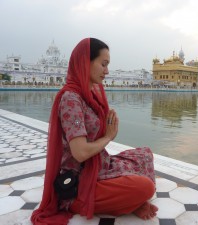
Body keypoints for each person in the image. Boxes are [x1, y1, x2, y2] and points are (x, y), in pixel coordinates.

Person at [31, 38, 158, 225]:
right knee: (144, 188)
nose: (107, 71)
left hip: (99, 165)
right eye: (103, 64)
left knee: (145, 154)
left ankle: (125, 199)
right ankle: (117, 203)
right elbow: (80, 153)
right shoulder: (71, 99)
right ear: (85, 63)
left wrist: (107, 129)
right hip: (79, 180)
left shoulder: (89, 95)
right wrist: (108, 137)